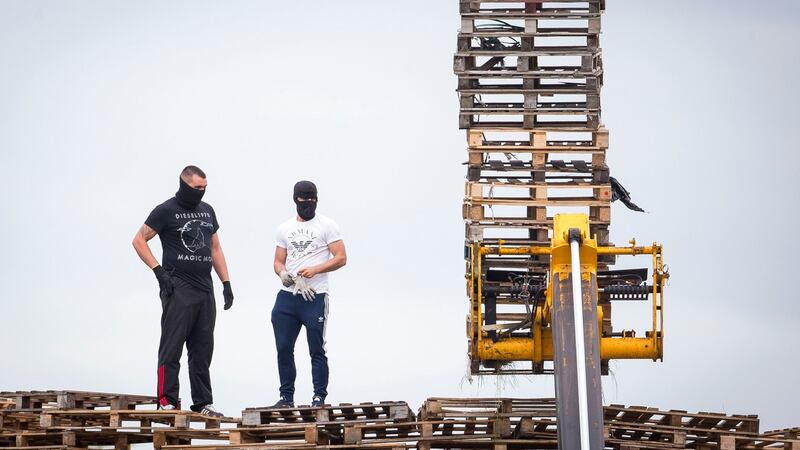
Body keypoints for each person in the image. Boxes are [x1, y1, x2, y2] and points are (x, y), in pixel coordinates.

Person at [132, 165, 234, 417]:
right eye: (197, 188)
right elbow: (138, 240)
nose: (202, 192)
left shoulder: (207, 211)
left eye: (205, 188)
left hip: (204, 289)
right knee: (172, 346)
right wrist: (158, 271)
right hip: (178, 287)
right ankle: (167, 400)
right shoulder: (166, 210)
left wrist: (226, 283)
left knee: (202, 350)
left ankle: (203, 403)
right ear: (184, 185)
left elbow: (215, 248)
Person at [271, 180, 346, 408]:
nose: (308, 203)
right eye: (304, 199)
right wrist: (282, 273)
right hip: (289, 294)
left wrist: (316, 269)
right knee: (284, 347)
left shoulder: (327, 225)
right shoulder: (284, 228)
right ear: (296, 200)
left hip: (314, 294)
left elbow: (341, 257)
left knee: (316, 347)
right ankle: (286, 397)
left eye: (312, 199)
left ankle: (318, 397)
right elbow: (278, 260)